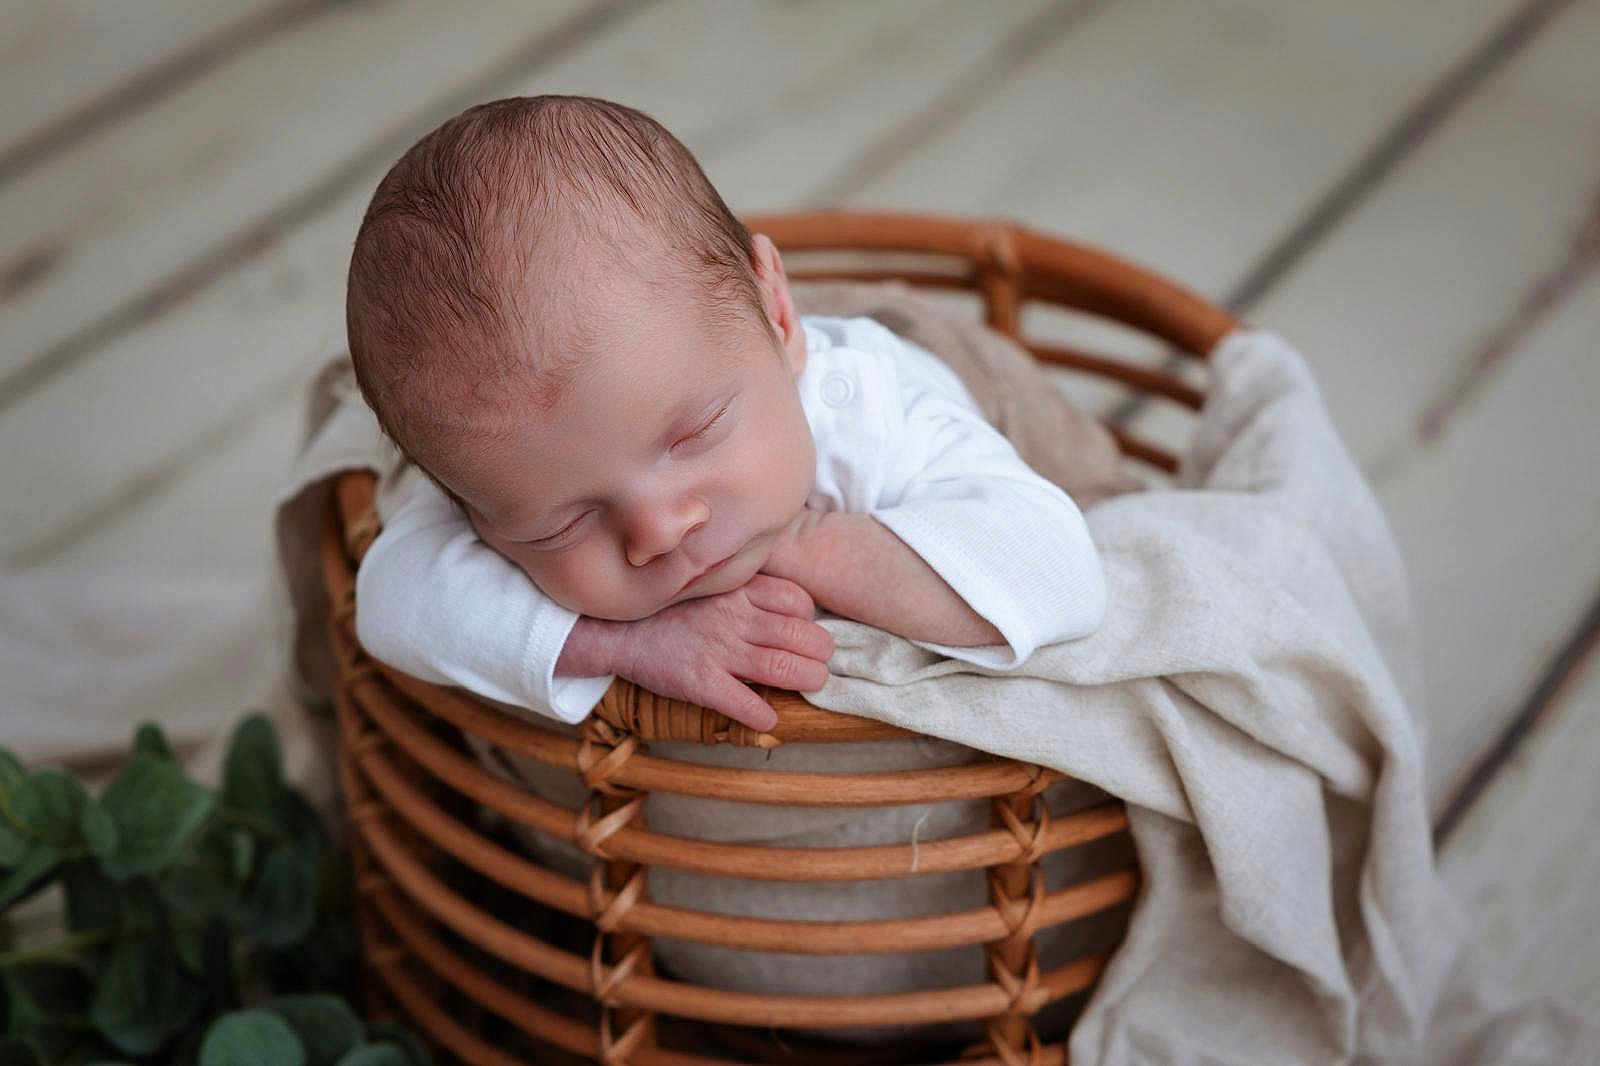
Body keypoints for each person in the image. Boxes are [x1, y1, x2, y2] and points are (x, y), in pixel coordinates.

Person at [345, 95, 1106, 734]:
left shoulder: (875, 409)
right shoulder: (502, 462)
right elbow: (390, 603)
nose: (658, 533)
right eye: (561, 526)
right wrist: (622, 643)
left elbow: (1058, 575)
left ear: (777, 312)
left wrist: (804, 541)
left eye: (695, 434)